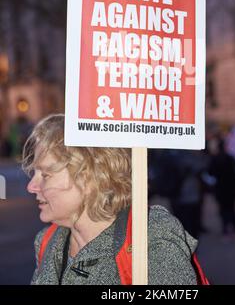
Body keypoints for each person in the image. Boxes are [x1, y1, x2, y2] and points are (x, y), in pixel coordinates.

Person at [22, 114, 208, 285]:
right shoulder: (47, 241)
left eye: (45, 175)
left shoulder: (148, 234)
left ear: (88, 178)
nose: (31, 186)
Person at [209, 138, 235, 237]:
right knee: (232, 208)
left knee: (223, 209)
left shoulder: (215, 159)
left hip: (220, 188)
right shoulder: (231, 158)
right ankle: (234, 228)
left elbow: (210, 173)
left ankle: (225, 228)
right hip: (231, 188)